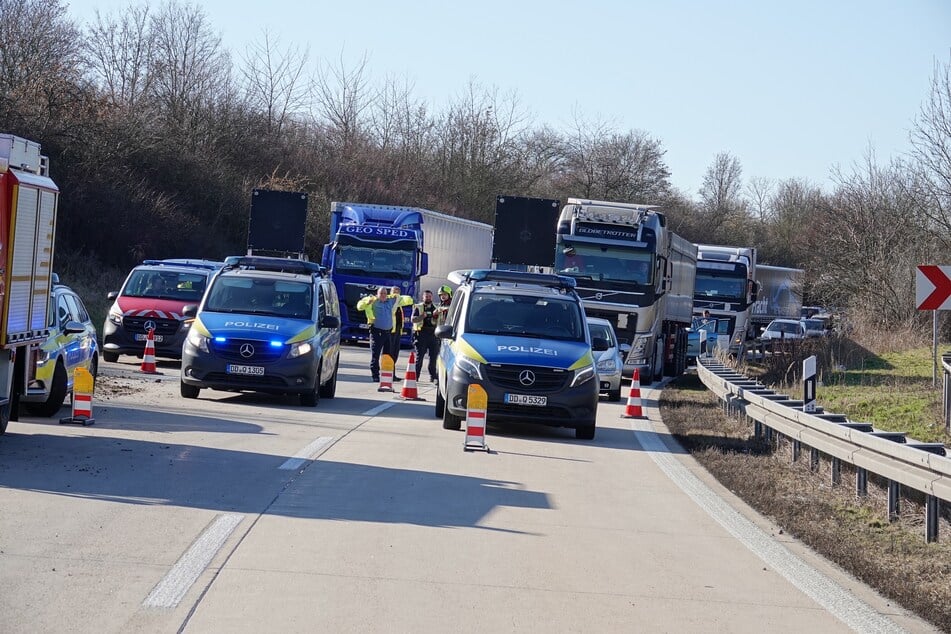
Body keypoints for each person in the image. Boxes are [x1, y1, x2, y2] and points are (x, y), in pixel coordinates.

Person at [356, 286, 413, 382]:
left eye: (384, 294)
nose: (383, 295)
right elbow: (359, 306)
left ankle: (387, 375)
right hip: (376, 332)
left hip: (388, 333)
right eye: (381, 293)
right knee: (376, 355)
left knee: (388, 356)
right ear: (377, 294)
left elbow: (408, 300)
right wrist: (367, 302)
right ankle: (375, 375)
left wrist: (397, 296)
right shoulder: (372, 300)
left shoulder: (390, 301)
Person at [411, 289, 439, 383]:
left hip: (433, 334)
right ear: (423, 297)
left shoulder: (436, 307)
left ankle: (433, 376)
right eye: (426, 296)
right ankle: (416, 376)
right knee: (420, 357)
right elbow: (413, 320)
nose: (428, 298)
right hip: (421, 334)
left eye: (429, 296)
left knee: (433, 357)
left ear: (432, 297)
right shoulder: (418, 307)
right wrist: (421, 317)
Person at [389, 286, 407, 375]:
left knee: (395, 353)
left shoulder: (399, 304)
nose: (396, 294)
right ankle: (389, 373)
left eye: (398, 292)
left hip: (398, 331)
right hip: (391, 331)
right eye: (394, 292)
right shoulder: (389, 302)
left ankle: (393, 374)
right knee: (390, 353)